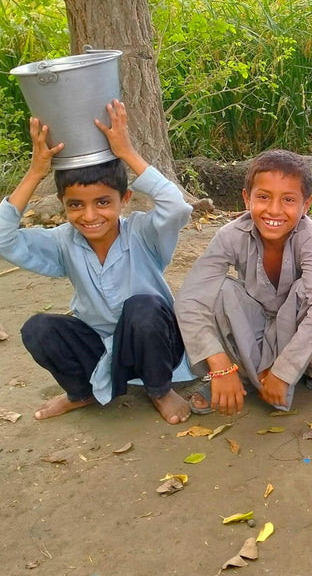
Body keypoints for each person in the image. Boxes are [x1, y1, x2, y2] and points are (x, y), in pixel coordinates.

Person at [0, 101, 193, 424]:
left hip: (156, 343)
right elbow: (4, 237)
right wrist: (36, 173)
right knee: (38, 329)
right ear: (62, 205)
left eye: (103, 202)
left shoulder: (144, 233)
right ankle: (81, 393)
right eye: (76, 205)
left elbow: (174, 206)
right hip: (101, 347)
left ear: (125, 200)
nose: (89, 216)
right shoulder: (63, 241)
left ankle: (159, 389)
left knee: (143, 307)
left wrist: (127, 152)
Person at [176, 150, 312, 415]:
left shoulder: (309, 237)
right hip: (255, 326)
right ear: (246, 199)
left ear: (306, 205)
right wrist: (218, 360)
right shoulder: (230, 236)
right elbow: (190, 298)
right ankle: (235, 373)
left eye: (288, 200)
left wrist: (284, 371)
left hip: (298, 326)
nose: (274, 210)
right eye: (263, 197)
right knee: (219, 291)